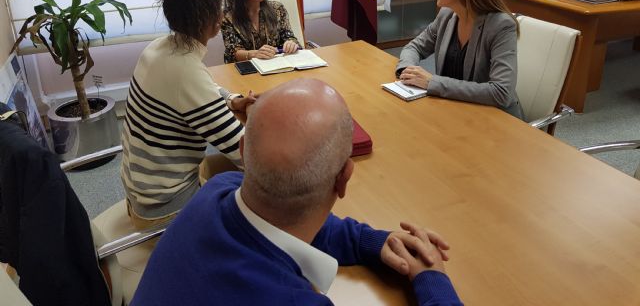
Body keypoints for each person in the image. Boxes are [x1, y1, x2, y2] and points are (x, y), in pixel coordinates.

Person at [132, 79, 463, 305]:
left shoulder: (218, 189)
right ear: (344, 179)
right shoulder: (291, 299)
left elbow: (294, 223)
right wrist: (432, 279)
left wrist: (373, 242)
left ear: (244, 151)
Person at [121, 0, 256, 229]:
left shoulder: (159, 48)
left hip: (143, 192)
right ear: (213, 20)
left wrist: (231, 100)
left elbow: (202, 89)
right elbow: (245, 152)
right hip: (165, 210)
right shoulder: (185, 71)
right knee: (264, 202)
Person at [396, 0, 523, 118]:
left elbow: (501, 92)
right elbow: (414, 47)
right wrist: (409, 71)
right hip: (455, 111)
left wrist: (432, 82)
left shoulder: (501, 26)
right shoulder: (447, 15)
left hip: (493, 119)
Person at [221, 0, 301, 63]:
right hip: (246, 69)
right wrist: (254, 54)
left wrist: (291, 43)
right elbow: (233, 52)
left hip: (276, 66)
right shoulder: (228, 17)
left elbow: (289, 37)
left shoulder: (277, 9)